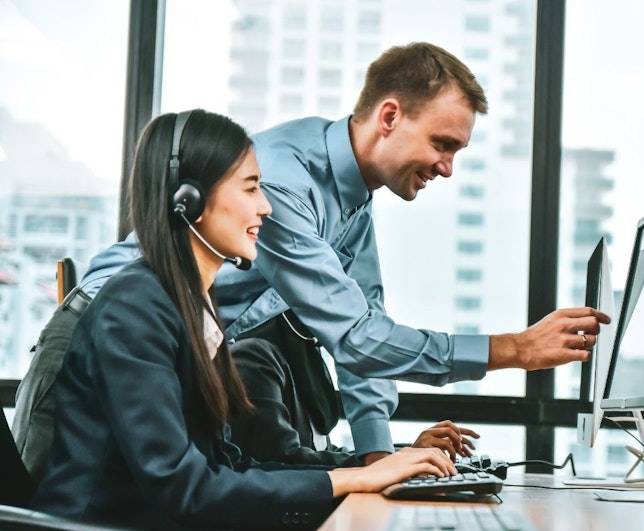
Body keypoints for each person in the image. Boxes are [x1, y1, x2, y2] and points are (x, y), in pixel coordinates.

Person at [17, 41, 608, 474]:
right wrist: (512, 350)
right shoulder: (283, 181)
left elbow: (363, 332)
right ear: (390, 117)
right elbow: (356, 339)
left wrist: (377, 456)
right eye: (442, 143)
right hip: (105, 339)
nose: (448, 167)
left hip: (179, 352)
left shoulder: (352, 206)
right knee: (62, 508)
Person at [30, 109, 456, 529]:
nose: (267, 207)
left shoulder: (195, 304)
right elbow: (184, 488)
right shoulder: (135, 307)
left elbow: (229, 466)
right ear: (189, 200)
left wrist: (366, 471)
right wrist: (352, 479)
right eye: (251, 189)